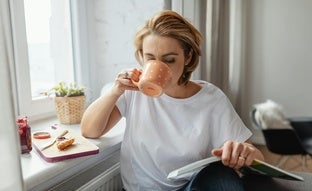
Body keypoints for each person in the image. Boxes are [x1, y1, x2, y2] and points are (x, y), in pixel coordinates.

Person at [81, 10, 264, 191]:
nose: (159, 67)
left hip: (190, 187)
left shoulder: (211, 98)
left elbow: (257, 158)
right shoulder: (133, 91)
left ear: (188, 57)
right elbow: (89, 130)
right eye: (150, 58)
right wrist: (115, 91)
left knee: (221, 175)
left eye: (169, 60)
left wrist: (245, 152)